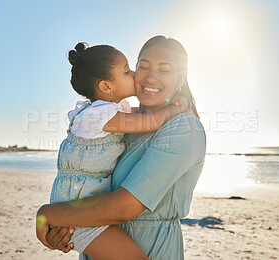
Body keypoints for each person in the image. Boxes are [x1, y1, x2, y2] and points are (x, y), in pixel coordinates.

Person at [37, 36, 206, 260]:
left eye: (164, 69)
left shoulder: (183, 127)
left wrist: (48, 214)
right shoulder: (119, 124)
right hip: (99, 241)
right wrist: (66, 224)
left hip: (150, 248)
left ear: (180, 79)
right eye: (142, 66)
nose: (149, 76)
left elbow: (123, 208)